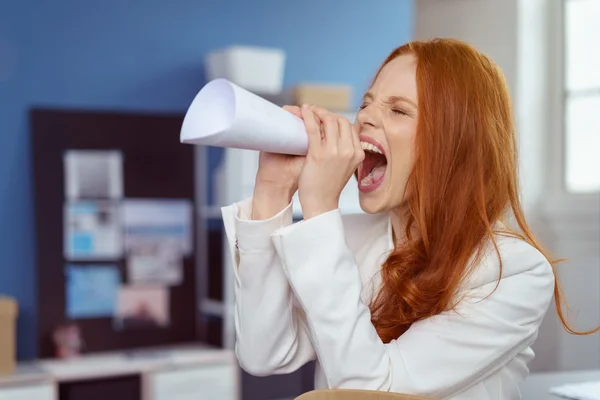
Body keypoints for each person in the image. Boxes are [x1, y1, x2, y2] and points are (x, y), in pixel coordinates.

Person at [221, 38, 596, 400]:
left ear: (454, 142)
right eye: (367, 104)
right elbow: (264, 354)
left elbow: (374, 393)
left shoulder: (514, 272)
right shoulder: (343, 239)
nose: (364, 116)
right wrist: (271, 190)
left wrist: (319, 205)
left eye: (397, 110)